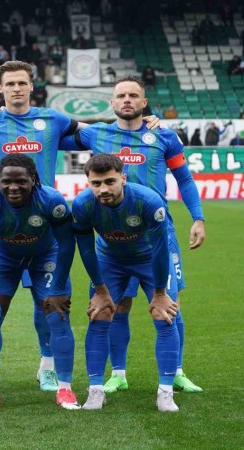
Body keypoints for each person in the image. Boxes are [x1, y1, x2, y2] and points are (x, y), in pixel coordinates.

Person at [60, 75, 205, 394]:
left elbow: (184, 178)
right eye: (121, 95)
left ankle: (176, 372)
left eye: (133, 95)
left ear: (144, 102)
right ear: (112, 103)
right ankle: (118, 374)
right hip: (114, 239)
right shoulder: (97, 133)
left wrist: (198, 217)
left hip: (157, 235)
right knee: (117, 306)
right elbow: (46, 137)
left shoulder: (164, 136)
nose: (127, 99)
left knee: (169, 305)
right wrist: (8, 111)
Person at [0, 60, 80, 392]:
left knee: (49, 307)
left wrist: (141, 123)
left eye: (21, 83)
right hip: (2, 229)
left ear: (32, 86)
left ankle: (47, 368)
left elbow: (92, 132)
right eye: (10, 83)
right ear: (0, 88)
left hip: (44, 230)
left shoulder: (53, 119)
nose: (16, 88)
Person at [0, 154, 78, 411]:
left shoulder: (51, 200)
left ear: (34, 180)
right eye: (6, 181)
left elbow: (67, 244)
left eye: (21, 181)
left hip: (45, 255)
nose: (13, 187)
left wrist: (58, 287)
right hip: (1, 256)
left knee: (57, 315)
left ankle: (65, 388)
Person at [72, 154, 181, 413]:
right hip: (111, 260)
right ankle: (95, 390)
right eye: (96, 183)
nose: (103, 189)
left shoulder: (148, 201)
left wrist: (160, 293)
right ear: (88, 182)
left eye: (109, 181)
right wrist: (100, 290)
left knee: (164, 315)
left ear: (123, 178)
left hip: (149, 259)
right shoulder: (82, 204)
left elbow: (160, 250)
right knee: (99, 314)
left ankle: (166, 393)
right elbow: (86, 250)